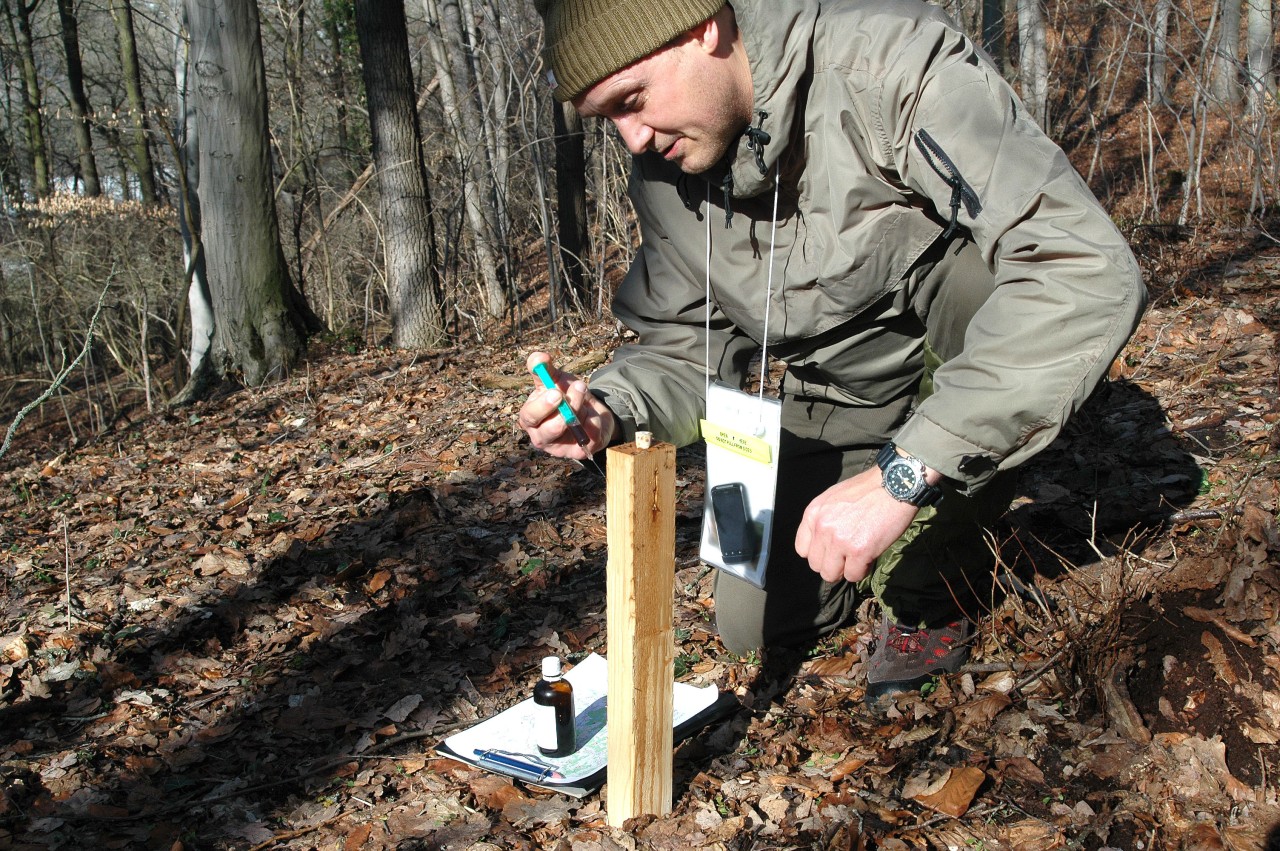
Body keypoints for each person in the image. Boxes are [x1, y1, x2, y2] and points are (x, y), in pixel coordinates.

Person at [518, 0, 1145, 703]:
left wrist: (905, 474)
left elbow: (1082, 267)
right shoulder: (668, 168)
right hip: (844, 392)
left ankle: (936, 566)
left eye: (634, 101)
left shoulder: (887, 63)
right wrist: (608, 405)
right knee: (750, 622)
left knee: (982, 285)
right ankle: (899, 507)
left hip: (952, 361)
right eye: (611, 120)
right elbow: (685, 344)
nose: (632, 140)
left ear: (704, 29)